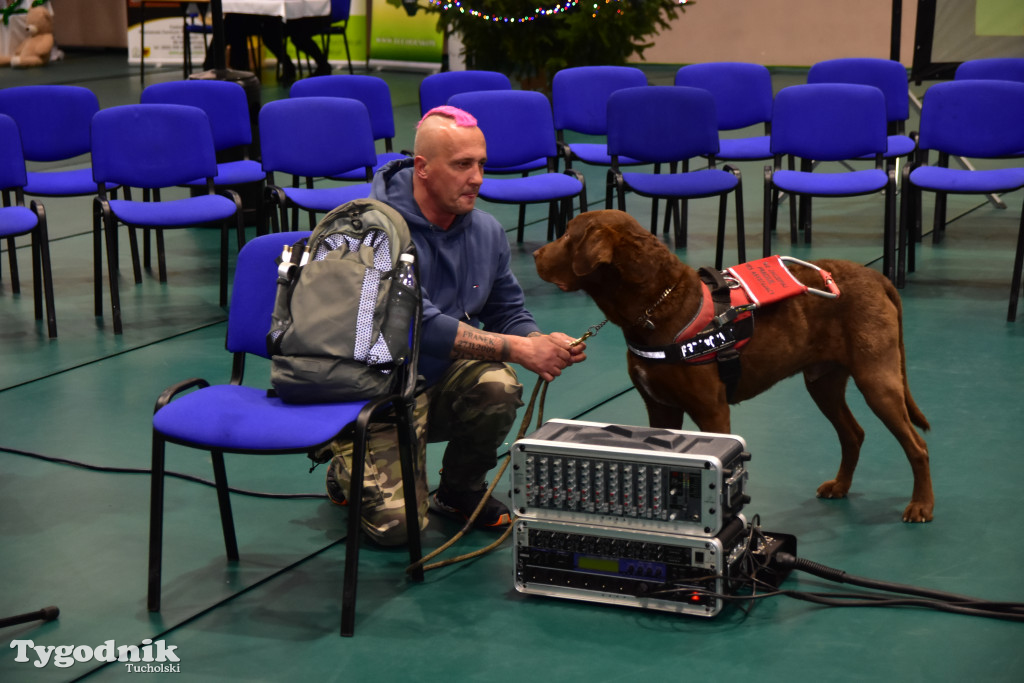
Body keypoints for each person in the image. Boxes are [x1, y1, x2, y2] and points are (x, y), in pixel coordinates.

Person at [320, 105, 587, 546]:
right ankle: (345, 460)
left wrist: (538, 339)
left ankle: (460, 490)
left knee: (498, 385)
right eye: (463, 165)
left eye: (481, 163)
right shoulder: (376, 232)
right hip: (373, 389)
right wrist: (518, 350)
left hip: (436, 378)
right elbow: (419, 324)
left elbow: (507, 310)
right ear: (422, 168)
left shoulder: (485, 230)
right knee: (399, 531)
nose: (478, 178)